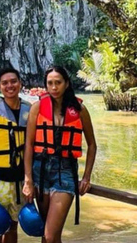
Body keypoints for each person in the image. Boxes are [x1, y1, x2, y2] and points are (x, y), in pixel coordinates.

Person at [22, 65, 97, 243]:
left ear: (66, 84)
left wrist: (86, 177)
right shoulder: (37, 108)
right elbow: (29, 144)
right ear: (45, 86)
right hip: (40, 171)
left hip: (65, 172)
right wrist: (28, 179)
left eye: (58, 83)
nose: (54, 87)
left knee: (49, 235)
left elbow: (92, 145)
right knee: (48, 235)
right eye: (50, 83)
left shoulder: (79, 110)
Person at [0, 66, 32, 243]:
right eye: (5, 83)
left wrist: (28, 180)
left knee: (12, 227)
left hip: (19, 181)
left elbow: (29, 147)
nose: (9, 86)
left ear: (20, 83)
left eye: (13, 81)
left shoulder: (29, 110)